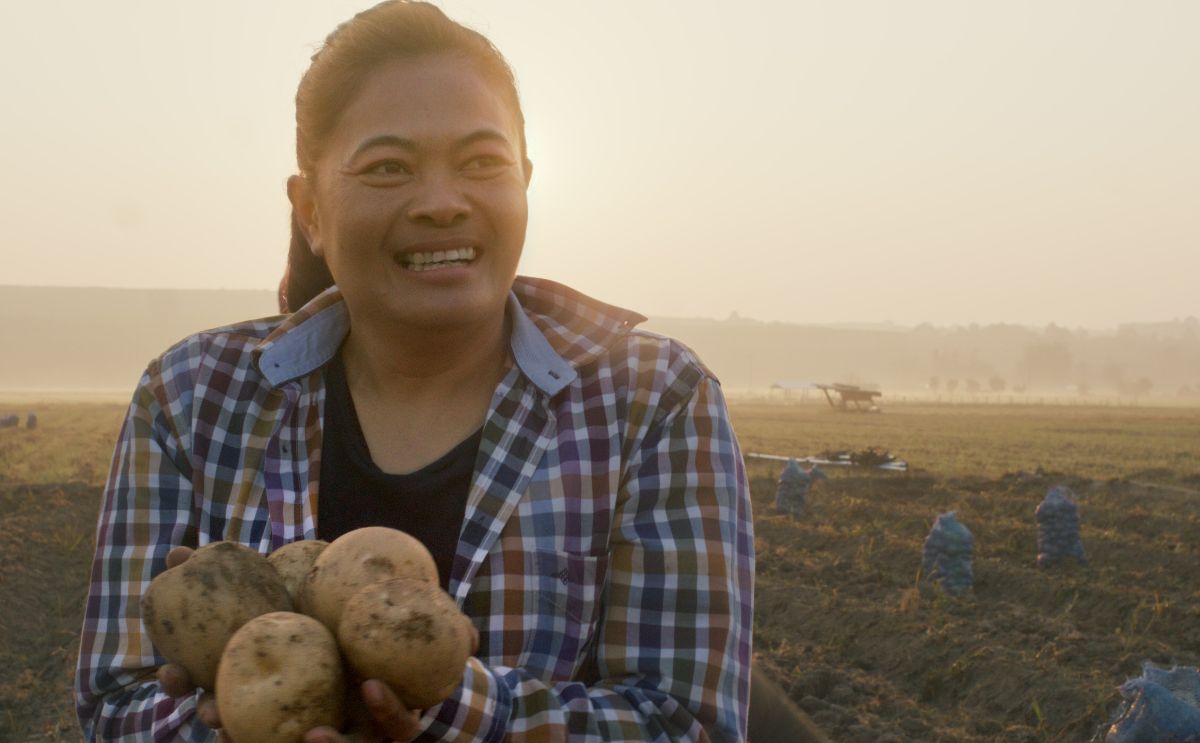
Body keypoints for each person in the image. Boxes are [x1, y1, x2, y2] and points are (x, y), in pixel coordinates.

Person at [75, 2, 754, 741]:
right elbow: (117, 703)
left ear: (526, 181)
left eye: (481, 163)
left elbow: (688, 723)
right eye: (388, 167)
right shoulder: (191, 395)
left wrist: (436, 708)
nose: (440, 203)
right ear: (309, 209)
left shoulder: (651, 399)